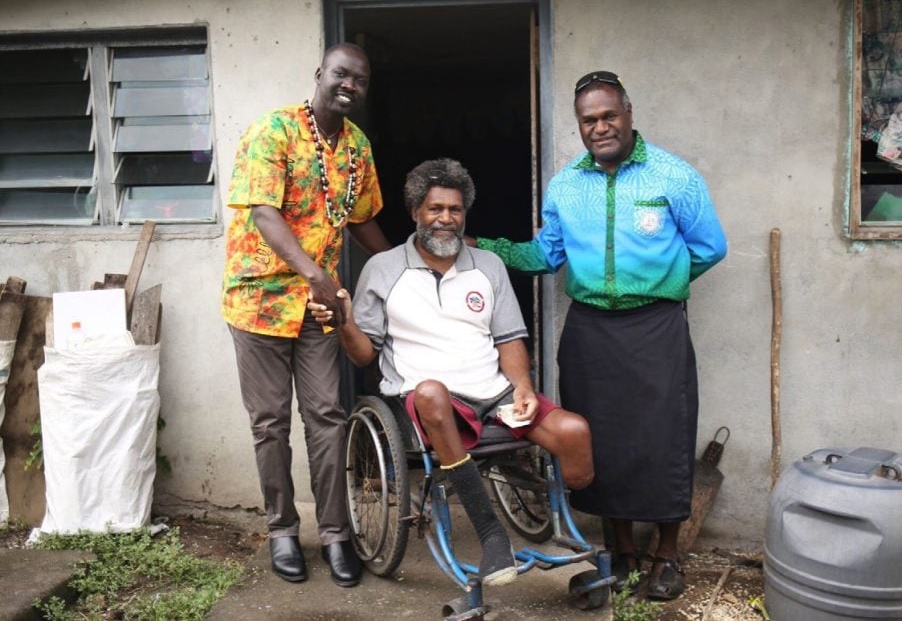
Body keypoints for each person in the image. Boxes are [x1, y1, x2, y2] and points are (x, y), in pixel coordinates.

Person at [471, 71, 727, 600]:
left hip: (655, 327)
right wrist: (487, 247)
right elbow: (545, 255)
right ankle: (622, 553)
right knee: (599, 439)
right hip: (589, 330)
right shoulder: (566, 185)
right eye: (589, 120)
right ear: (579, 126)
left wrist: (661, 283)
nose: (600, 127)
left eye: (609, 115)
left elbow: (710, 248)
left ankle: (667, 555)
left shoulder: (673, 177)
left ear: (629, 113)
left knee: (663, 437)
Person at [309, 158, 594, 587]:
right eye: (435, 209)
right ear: (415, 213)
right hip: (423, 400)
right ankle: (490, 533)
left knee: (575, 433)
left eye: (455, 210)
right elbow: (364, 356)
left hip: (493, 395)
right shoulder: (384, 268)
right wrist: (344, 321)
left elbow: (510, 339)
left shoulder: (488, 266)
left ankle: (560, 519)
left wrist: (522, 387)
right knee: (430, 392)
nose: (446, 219)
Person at [221, 43, 390, 588]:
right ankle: (282, 531)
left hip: (318, 304)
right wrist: (316, 273)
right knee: (269, 423)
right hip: (259, 300)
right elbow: (265, 214)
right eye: (340, 74)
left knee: (326, 415)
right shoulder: (273, 130)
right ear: (320, 74)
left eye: (359, 80)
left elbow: (362, 219)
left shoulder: (357, 147)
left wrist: (400, 265)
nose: (349, 85)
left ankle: (337, 534)